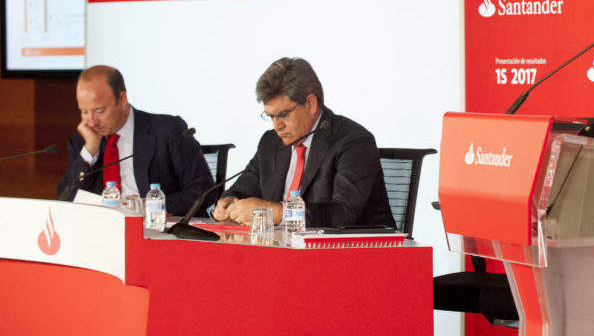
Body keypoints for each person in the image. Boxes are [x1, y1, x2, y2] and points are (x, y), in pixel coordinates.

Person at [213, 57, 395, 229]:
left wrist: (276, 213)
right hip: (284, 248)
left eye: (284, 115)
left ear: (310, 103)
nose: (277, 126)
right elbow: (242, 190)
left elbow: (343, 214)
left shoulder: (353, 141)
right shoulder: (270, 142)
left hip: (354, 249)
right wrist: (228, 203)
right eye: (271, 117)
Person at [57, 65, 215, 215]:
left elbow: (204, 190)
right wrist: (90, 151)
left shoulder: (167, 130)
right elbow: (66, 199)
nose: (91, 122)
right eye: (84, 111)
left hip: (158, 226)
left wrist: (148, 207)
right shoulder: (83, 140)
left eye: (99, 111)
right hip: (106, 229)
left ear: (122, 99)